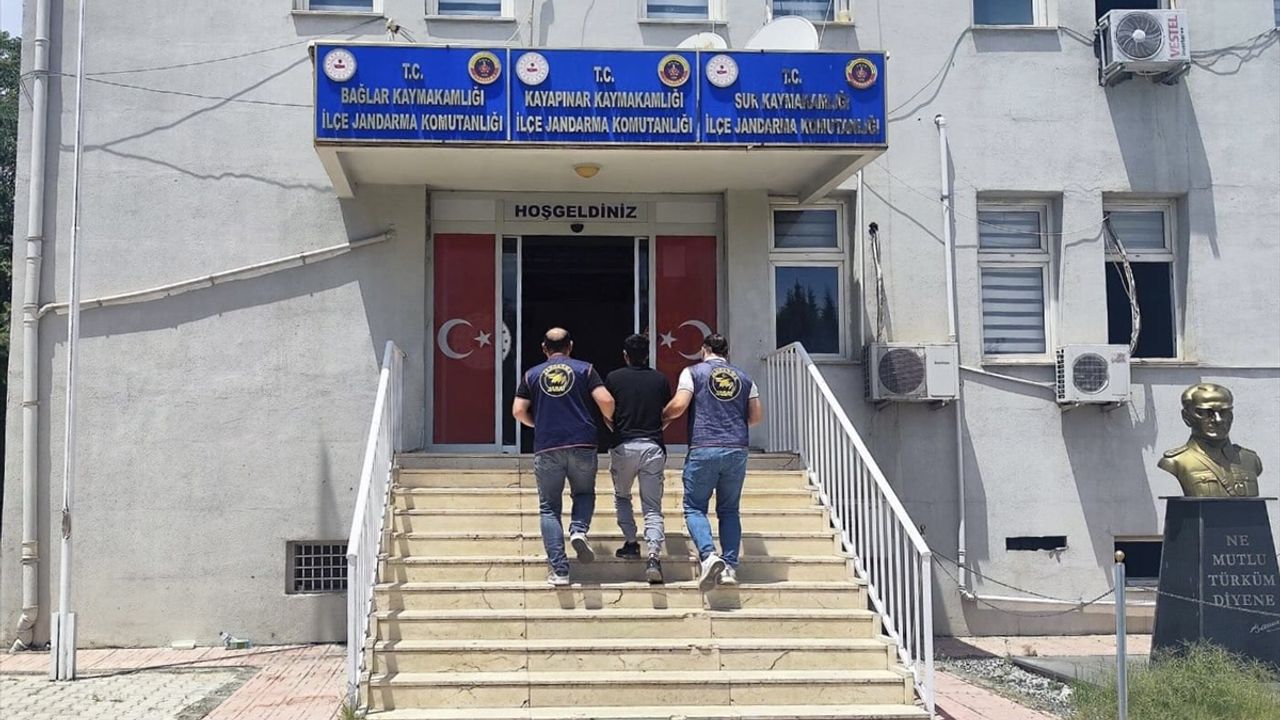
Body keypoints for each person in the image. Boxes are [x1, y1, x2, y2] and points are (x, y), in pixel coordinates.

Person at [513, 328, 615, 586]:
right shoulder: (585, 370)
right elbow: (605, 399)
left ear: (544, 348)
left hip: (547, 446)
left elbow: (518, 410)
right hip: (582, 442)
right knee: (584, 493)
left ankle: (560, 571)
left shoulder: (531, 374)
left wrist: (538, 424)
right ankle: (578, 530)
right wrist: (609, 420)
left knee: (549, 508)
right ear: (570, 346)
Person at [662, 333, 764, 590]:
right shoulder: (745, 378)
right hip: (737, 448)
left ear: (704, 350)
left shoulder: (693, 372)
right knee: (729, 510)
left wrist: (661, 418)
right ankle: (729, 567)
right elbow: (755, 417)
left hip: (704, 446)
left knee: (695, 507)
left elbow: (679, 405)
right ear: (727, 353)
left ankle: (708, 556)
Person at [605, 334, 673, 584]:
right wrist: (659, 427)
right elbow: (667, 411)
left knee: (622, 496)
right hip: (652, 447)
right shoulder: (660, 380)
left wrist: (611, 425)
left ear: (625, 355)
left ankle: (631, 543)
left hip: (624, 445)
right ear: (647, 355)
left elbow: (606, 406)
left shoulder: (613, 378)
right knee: (652, 507)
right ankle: (653, 556)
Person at [1158, 383, 1262, 497]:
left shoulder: (1250, 459)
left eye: (1224, 412)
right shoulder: (1176, 462)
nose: (1218, 420)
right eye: (1207, 413)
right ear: (1186, 417)